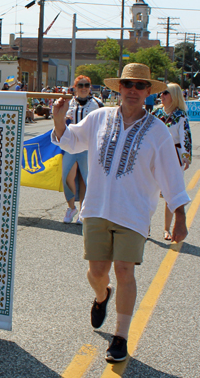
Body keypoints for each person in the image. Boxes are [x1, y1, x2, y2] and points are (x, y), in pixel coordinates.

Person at [51, 63, 189, 363]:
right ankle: (102, 296)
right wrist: (59, 120)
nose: (133, 91)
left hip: (133, 212)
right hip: (97, 208)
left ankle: (120, 336)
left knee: (125, 269)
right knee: (98, 272)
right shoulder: (99, 118)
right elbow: (70, 141)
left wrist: (180, 216)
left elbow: (171, 175)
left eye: (141, 86)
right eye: (128, 84)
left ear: (149, 92)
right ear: (119, 88)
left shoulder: (158, 131)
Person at [152, 83, 192, 241]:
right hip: (154, 155)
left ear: (174, 95)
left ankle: (166, 229)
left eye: (166, 93)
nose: (162, 95)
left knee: (171, 193)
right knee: (149, 190)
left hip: (172, 156)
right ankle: (145, 227)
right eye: (161, 92)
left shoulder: (181, 115)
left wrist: (186, 157)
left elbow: (185, 137)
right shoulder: (156, 112)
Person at [62, 75, 103, 224]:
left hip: (88, 147)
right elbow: (60, 121)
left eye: (86, 85)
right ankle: (71, 207)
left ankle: (83, 211)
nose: (84, 88)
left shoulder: (97, 104)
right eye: (80, 85)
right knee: (67, 176)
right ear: (75, 88)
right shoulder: (68, 103)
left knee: (86, 179)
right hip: (71, 145)